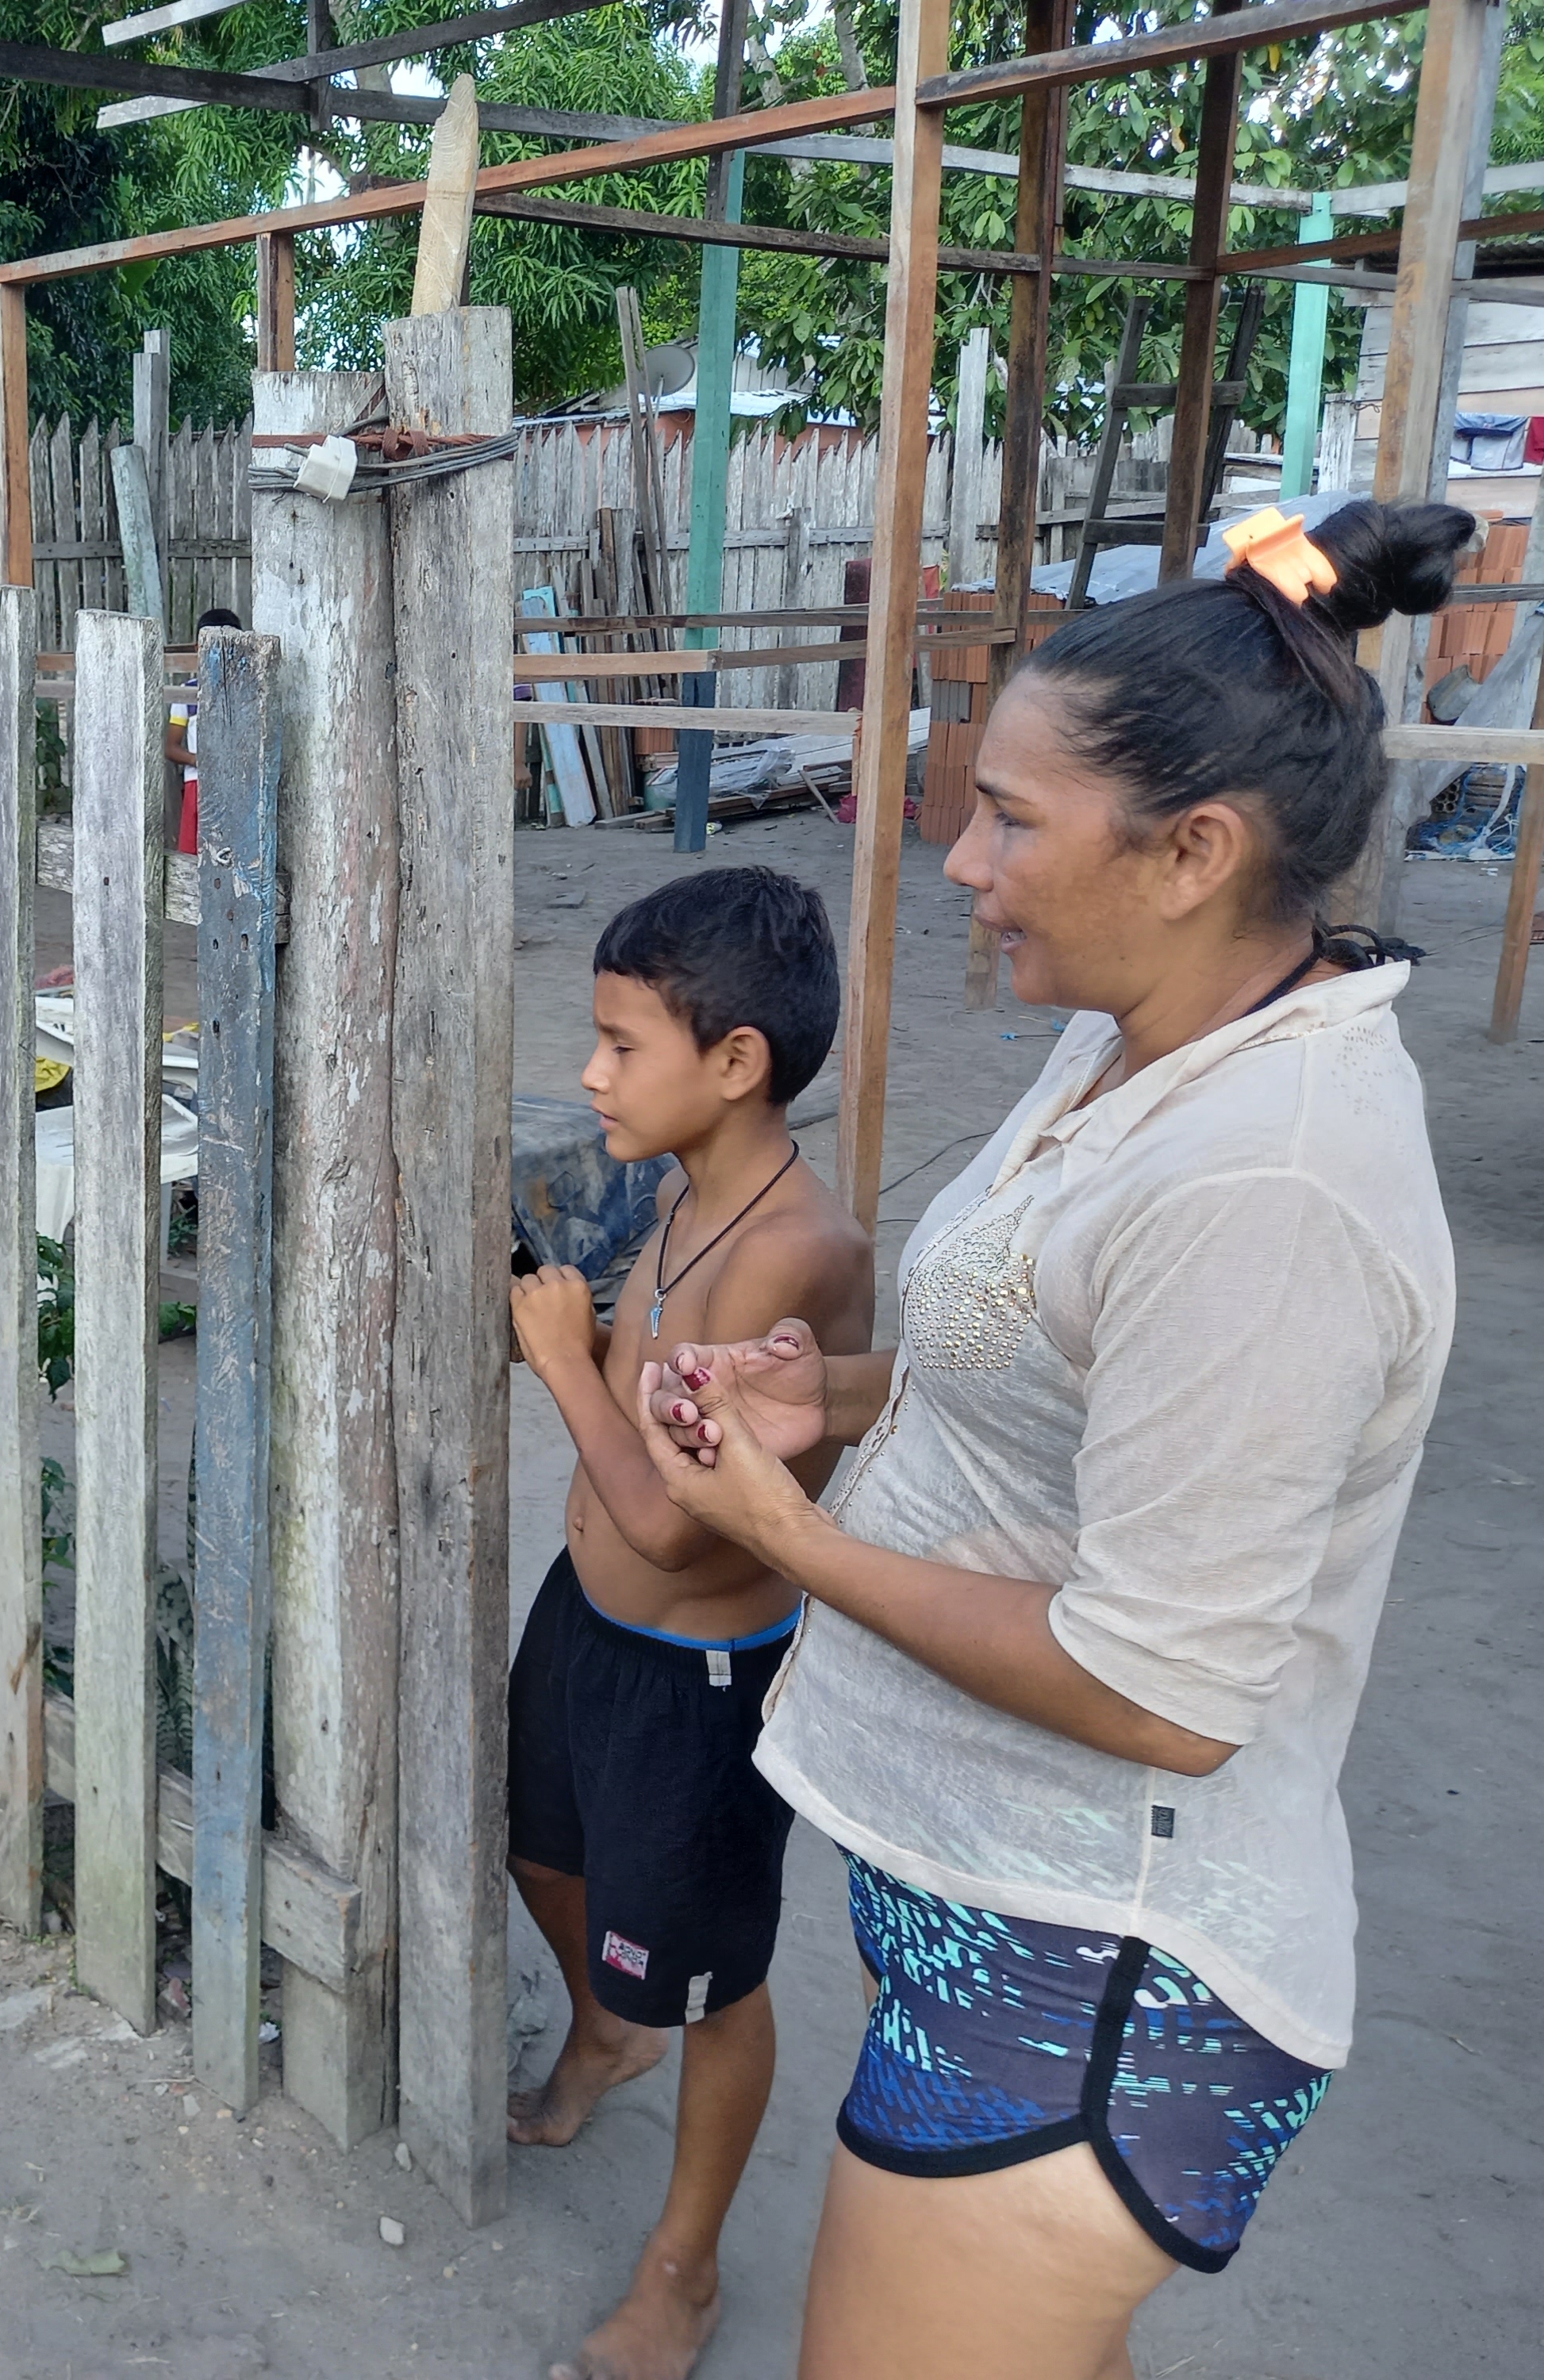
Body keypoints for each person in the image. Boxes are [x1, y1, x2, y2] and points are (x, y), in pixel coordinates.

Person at [633, 497, 1472, 2380]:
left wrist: (795, 1531)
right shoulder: (1139, 1032)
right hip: (1007, 1918)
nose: (957, 860)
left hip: (1101, 1975)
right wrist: (826, 1397)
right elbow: (1042, 1383)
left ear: (1192, 848)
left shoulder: (1270, 1184)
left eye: (1011, 816)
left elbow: (1163, 1687)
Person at [505, 866, 873, 2380]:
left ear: (736, 1064)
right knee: (542, 1850)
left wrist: (561, 1362)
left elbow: (674, 1517)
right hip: (586, 1619)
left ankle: (684, 2271)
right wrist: (606, 1343)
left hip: (703, 1677)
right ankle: (609, 2026)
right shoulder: (681, 1188)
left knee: (714, 1983)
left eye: (619, 1044)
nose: (590, 1074)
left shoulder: (803, 1253)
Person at [163, 605, 243, 855]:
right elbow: (171, 747)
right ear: (199, 649)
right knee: (192, 852)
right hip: (197, 782)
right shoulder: (186, 693)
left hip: (237, 783)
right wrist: (198, 760)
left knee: (233, 850)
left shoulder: (246, 690)